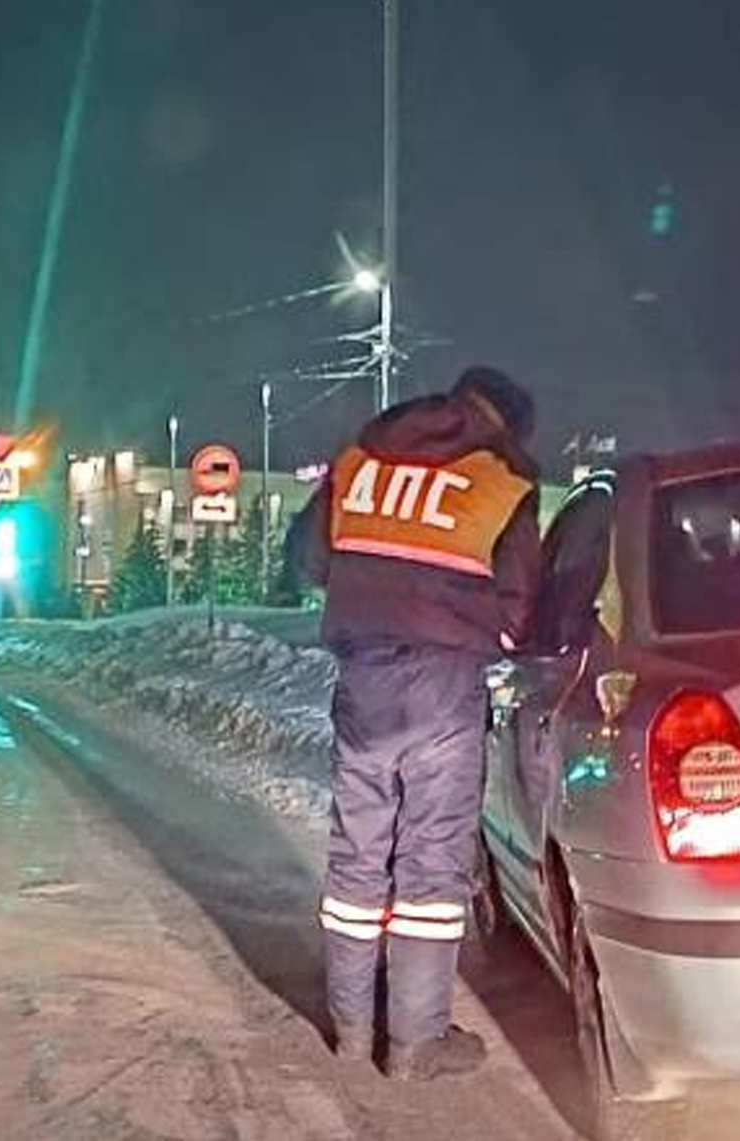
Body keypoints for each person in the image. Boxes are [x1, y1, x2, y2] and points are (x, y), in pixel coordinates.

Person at [294, 366, 542, 1080]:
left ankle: (348, 1027)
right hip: (443, 682)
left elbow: (309, 559)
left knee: (358, 852)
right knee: (432, 855)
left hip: (363, 677)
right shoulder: (499, 477)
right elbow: (520, 605)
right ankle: (414, 1042)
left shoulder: (362, 458)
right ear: (507, 423)